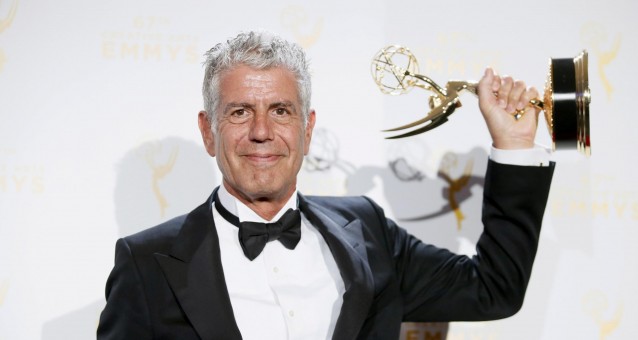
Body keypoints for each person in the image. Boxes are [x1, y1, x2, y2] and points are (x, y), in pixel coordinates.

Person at [97, 30, 554, 340]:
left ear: (308, 129)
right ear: (208, 130)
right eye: (239, 112)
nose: (261, 132)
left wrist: (513, 145)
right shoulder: (145, 266)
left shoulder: (367, 229)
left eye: (281, 111)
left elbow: (495, 289)